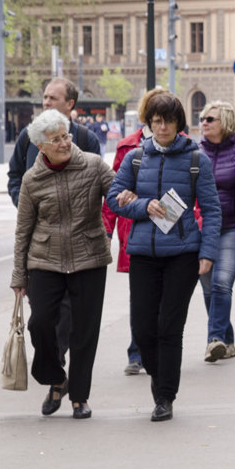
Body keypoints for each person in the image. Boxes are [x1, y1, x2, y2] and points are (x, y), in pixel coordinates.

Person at [106, 92, 221, 422]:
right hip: (143, 252)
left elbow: (212, 210)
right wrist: (143, 206)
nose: (162, 126)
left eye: (168, 120)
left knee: (170, 327)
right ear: (149, 123)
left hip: (182, 254)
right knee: (143, 328)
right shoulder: (136, 158)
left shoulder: (197, 160)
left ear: (178, 123)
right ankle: (160, 376)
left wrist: (208, 252)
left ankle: (165, 396)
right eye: (156, 120)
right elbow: (114, 198)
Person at [10, 109, 116, 419]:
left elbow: (119, 194)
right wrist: (19, 275)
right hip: (45, 259)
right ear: (41, 146)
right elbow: (23, 230)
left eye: (65, 136)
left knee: (84, 332)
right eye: (56, 140)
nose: (64, 143)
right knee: (40, 323)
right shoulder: (32, 180)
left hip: (89, 257)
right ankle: (57, 378)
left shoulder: (94, 166)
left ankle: (79, 398)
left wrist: (134, 200)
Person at [102, 89, 165, 375]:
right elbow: (114, 194)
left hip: (172, 231)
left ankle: (159, 349)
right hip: (137, 229)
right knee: (140, 296)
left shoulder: (187, 146)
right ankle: (137, 351)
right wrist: (106, 230)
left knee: (166, 296)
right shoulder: (128, 147)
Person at [197, 101, 235, 362]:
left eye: (211, 119)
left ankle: (215, 340)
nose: (204, 123)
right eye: (202, 118)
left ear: (227, 123)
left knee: (222, 283)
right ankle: (227, 341)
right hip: (202, 230)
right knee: (210, 290)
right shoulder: (193, 152)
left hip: (232, 228)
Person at [8, 78, 102, 206]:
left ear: (70, 104)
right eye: (45, 97)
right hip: (38, 222)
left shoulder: (86, 138)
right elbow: (15, 175)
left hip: (76, 223)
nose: (46, 103)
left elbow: (97, 182)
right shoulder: (28, 135)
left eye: (52, 98)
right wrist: (25, 204)